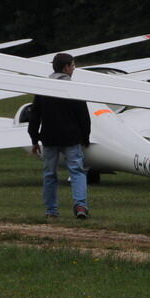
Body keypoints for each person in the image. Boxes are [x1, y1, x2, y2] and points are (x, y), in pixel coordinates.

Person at [27, 53, 91, 219]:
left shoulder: (43, 88)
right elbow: (83, 116)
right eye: (73, 65)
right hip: (71, 138)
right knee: (77, 171)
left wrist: (34, 139)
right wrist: (86, 137)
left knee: (50, 174)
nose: (74, 69)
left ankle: (51, 211)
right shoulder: (74, 88)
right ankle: (81, 206)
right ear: (66, 68)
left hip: (49, 138)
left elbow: (35, 116)